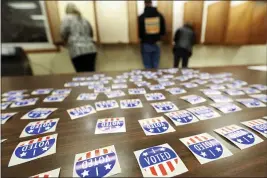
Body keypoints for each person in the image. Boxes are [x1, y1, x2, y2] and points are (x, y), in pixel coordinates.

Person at [60, 3, 97, 72]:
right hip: (91, 49)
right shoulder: (84, 19)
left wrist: (65, 41)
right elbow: (91, 33)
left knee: (80, 73)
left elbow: (63, 33)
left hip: (77, 50)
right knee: (91, 72)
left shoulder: (66, 18)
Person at [138, 0, 166, 69]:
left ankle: (149, 77)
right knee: (156, 62)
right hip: (157, 42)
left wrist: (141, 38)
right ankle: (155, 77)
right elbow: (163, 30)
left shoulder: (141, 17)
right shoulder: (160, 16)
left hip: (146, 42)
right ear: (151, 3)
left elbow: (140, 32)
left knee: (147, 63)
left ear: (144, 4)